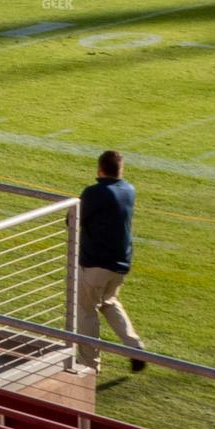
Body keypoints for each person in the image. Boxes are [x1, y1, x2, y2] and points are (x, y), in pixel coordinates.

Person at [76, 150, 149, 372]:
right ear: (121, 170)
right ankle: (135, 348)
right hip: (120, 262)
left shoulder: (94, 193)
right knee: (109, 302)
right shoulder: (129, 190)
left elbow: (73, 219)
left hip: (96, 263)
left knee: (87, 311)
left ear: (99, 169)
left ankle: (89, 363)